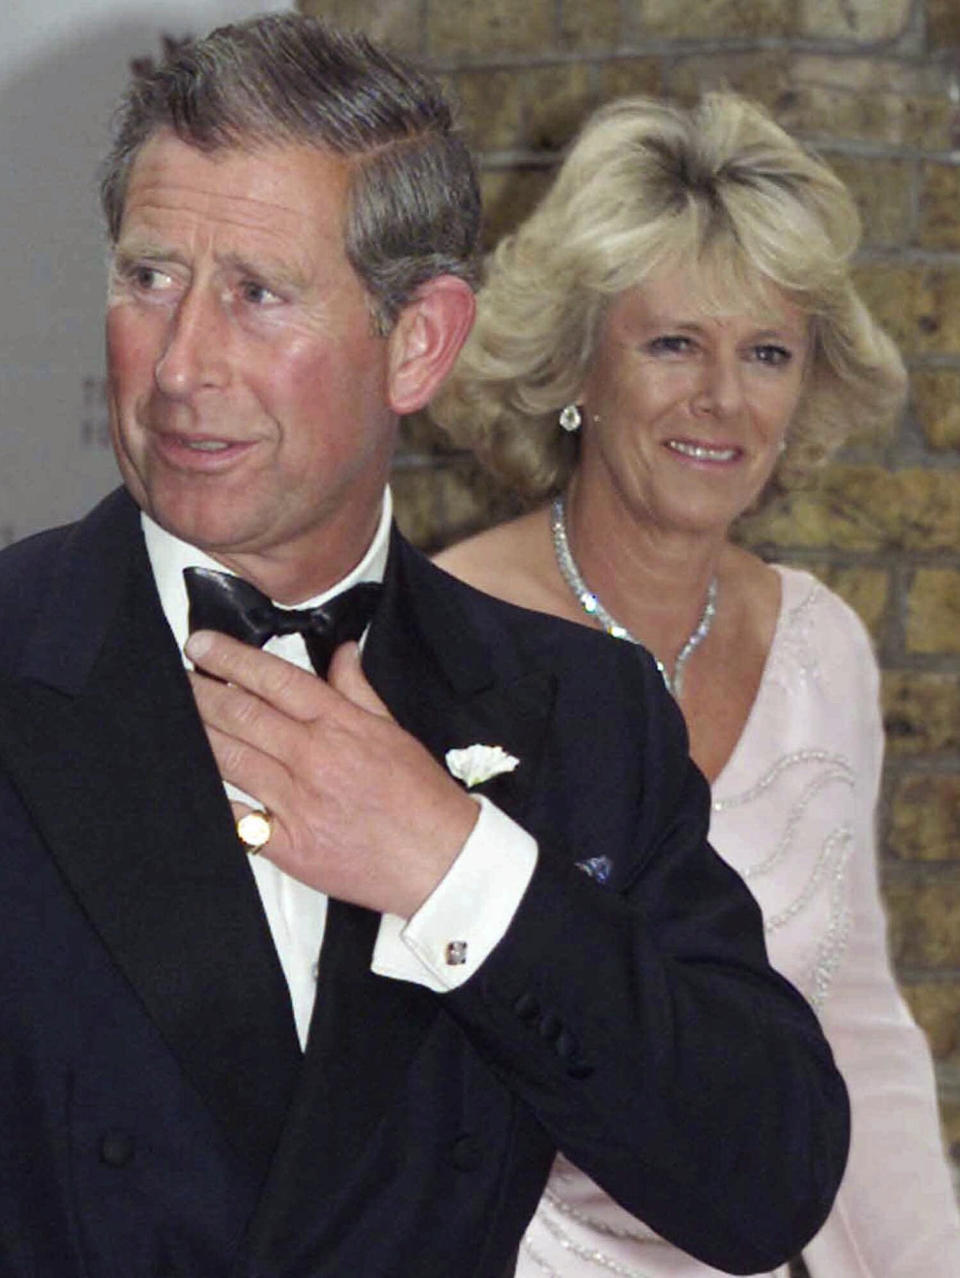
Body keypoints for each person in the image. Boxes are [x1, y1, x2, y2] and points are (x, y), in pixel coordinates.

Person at [0, 21, 851, 1276]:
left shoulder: (583, 712)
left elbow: (764, 1179)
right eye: (150, 278)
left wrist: (455, 871)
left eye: (257, 293)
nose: (180, 366)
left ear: (419, 342)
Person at [432, 92, 960, 1276]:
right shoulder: (445, 642)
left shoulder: (820, 646)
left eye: (765, 353)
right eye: (673, 344)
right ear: (578, 364)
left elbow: (853, 1031)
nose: (722, 399)